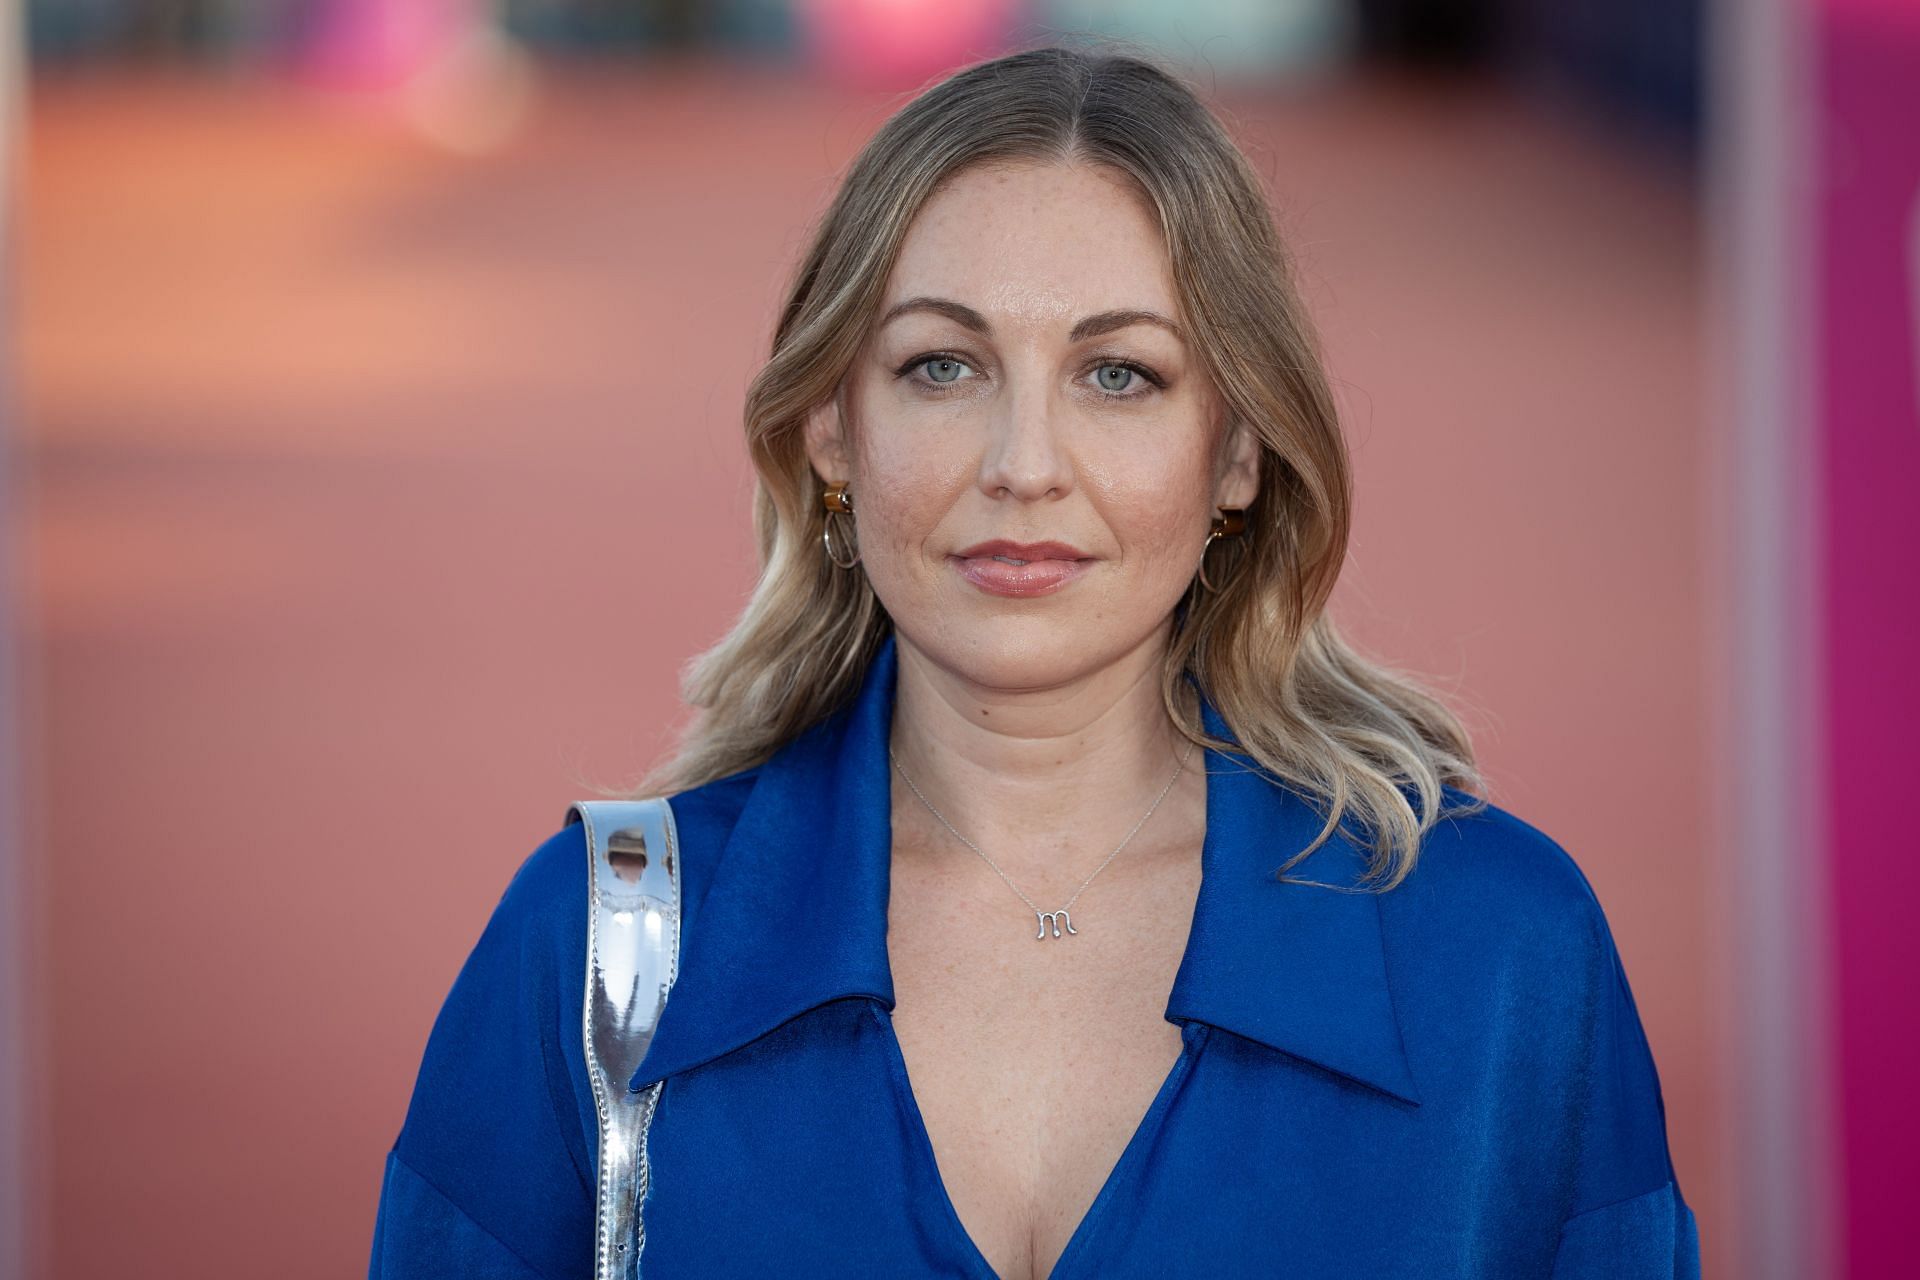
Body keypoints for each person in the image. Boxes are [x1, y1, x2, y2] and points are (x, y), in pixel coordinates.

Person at [368, 43, 1700, 1280]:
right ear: (834, 432)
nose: (1023, 466)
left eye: (1118, 375)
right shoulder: (594, 952)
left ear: (1236, 452)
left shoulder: (1504, 957)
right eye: (943, 366)